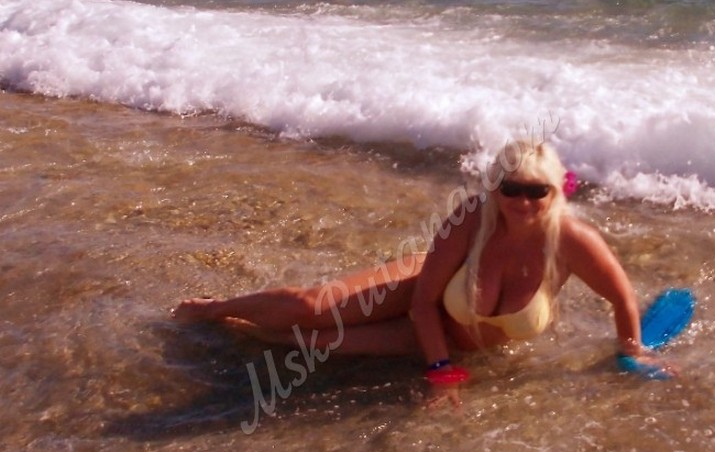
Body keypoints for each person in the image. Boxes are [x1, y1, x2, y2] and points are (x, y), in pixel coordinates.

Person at [173, 140, 669, 407]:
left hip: (446, 339)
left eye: (537, 191)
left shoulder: (573, 241)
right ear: (494, 188)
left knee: (308, 344)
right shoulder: (471, 219)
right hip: (422, 292)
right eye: (511, 189)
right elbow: (424, 303)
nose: (523, 201)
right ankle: (216, 308)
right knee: (310, 309)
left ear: (555, 192)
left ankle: (237, 327)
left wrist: (632, 349)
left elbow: (621, 298)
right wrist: (440, 371)